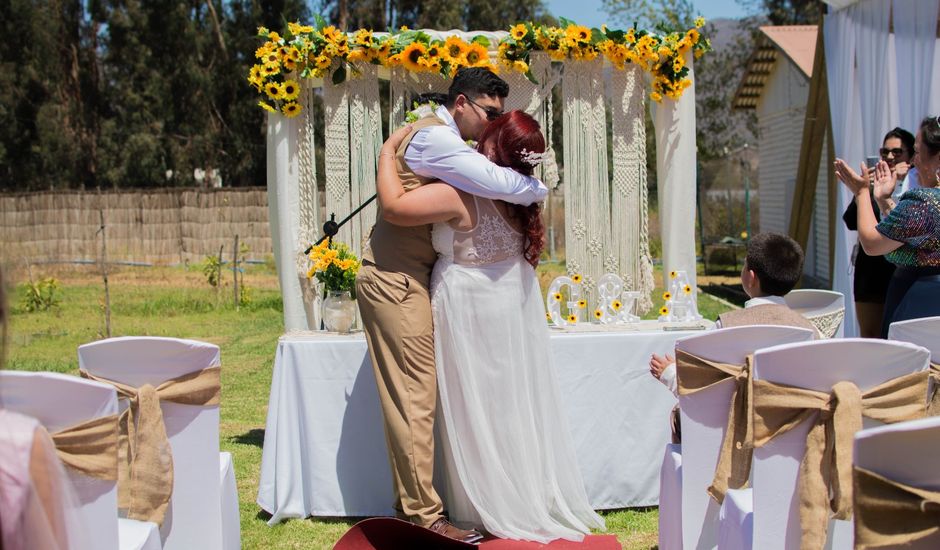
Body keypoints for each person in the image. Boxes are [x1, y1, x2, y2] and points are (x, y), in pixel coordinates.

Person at [376, 111, 605, 543]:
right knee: (508, 407)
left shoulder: (458, 194)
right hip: (507, 310)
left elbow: (393, 209)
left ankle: (481, 503)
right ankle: (517, 494)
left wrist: (388, 153)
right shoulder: (523, 198)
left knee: (471, 409)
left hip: (467, 311)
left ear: (490, 148)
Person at [355, 68, 547, 543]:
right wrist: (537, 187)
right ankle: (424, 517)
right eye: (489, 113)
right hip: (395, 280)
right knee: (414, 401)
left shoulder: (449, 142)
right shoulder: (436, 141)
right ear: (461, 102)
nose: (492, 123)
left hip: (410, 280)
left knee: (417, 399)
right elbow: (402, 206)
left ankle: (417, 507)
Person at [650, 233, 818, 397]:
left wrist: (669, 374)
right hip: (794, 422)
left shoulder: (726, 326)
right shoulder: (810, 331)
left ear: (751, 278)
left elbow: (702, 392)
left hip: (735, 423)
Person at [835, 115, 940, 337]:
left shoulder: (924, 202)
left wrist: (862, 192)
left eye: (918, 152)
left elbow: (873, 244)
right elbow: (913, 232)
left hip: (920, 308)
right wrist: (884, 200)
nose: (914, 161)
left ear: (938, 159)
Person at [842, 128, 914, 337]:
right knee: (871, 335)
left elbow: (910, 225)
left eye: (897, 152)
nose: (890, 157)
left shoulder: (916, 182)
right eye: (885, 152)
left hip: (902, 269)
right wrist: (863, 192)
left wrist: (899, 183)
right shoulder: (874, 185)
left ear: (911, 155)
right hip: (871, 270)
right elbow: (850, 221)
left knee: (901, 337)